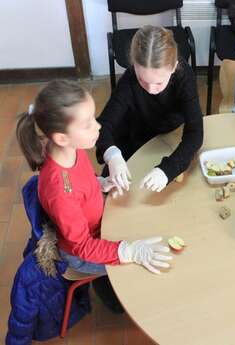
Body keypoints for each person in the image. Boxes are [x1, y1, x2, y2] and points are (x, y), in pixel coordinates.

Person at [16, 80, 173, 311]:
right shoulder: (60, 190)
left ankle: (108, 286)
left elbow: (82, 180)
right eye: (88, 124)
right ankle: (112, 290)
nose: (98, 127)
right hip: (82, 254)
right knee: (148, 261)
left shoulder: (70, 150)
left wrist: (100, 184)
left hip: (98, 226)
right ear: (61, 137)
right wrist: (129, 252)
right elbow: (83, 247)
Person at [96, 25, 203, 196]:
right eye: (142, 80)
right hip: (134, 138)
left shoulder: (184, 76)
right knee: (113, 192)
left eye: (159, 82)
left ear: (174, 67)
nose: (151, 89)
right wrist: (113, 155)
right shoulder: (129, 79)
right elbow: (103, 126)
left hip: (170, 137)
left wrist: (167, 171)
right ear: (134, 66)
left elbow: (195, 133)